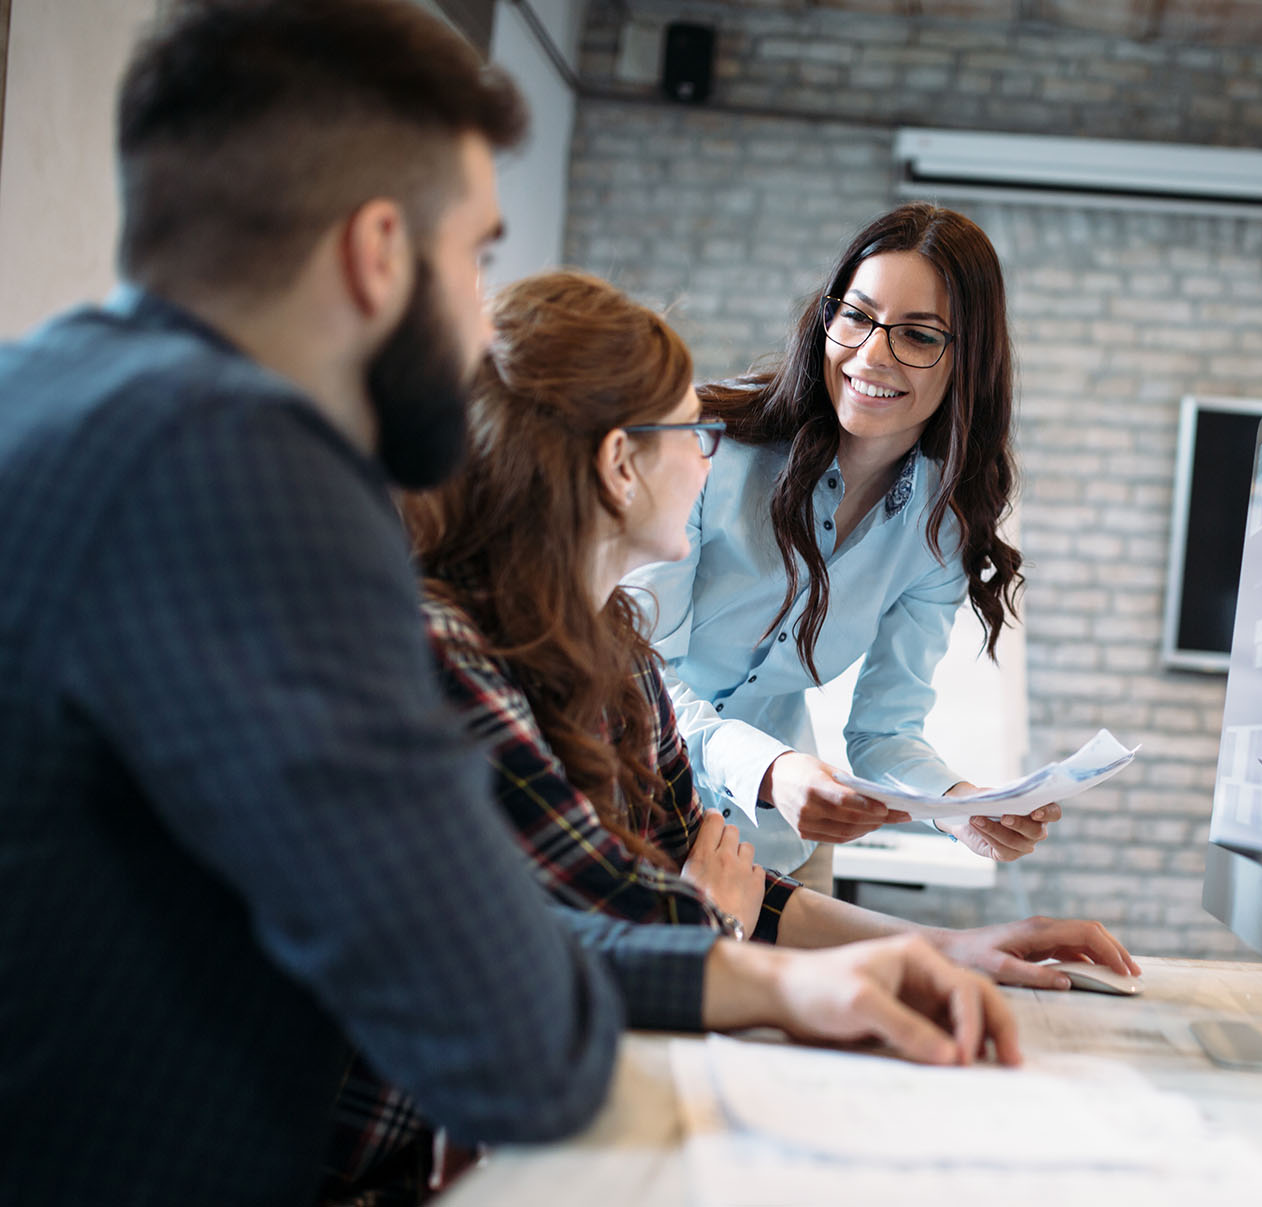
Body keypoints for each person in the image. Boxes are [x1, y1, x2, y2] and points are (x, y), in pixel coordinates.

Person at [0, 6, 1013, 1204]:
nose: (488, 329)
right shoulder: (255, 488)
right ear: (381, 251)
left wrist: (784, 967)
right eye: (477, 259)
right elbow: (503, 1015)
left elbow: (457, 932)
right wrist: (738, 949)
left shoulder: (49, 397)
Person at [330, 269, 1137, 1199]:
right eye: (690, 432)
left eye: (918, 334)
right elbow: (622, 925)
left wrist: (942, 946)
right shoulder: (443, 660)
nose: (710, 456)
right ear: (619, 466)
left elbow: (706, 891)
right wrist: (712, 917)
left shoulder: (620, 657)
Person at [627, 203, 1056, 887]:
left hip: (773, 850)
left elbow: (884, 731)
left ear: (967, 361)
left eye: (917, 336)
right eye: (855, 316)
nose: (871, 356)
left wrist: (956, 804)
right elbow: (638, 678)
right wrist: (769, 770)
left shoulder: (940, 526)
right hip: (626, 815)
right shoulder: (707, 446)